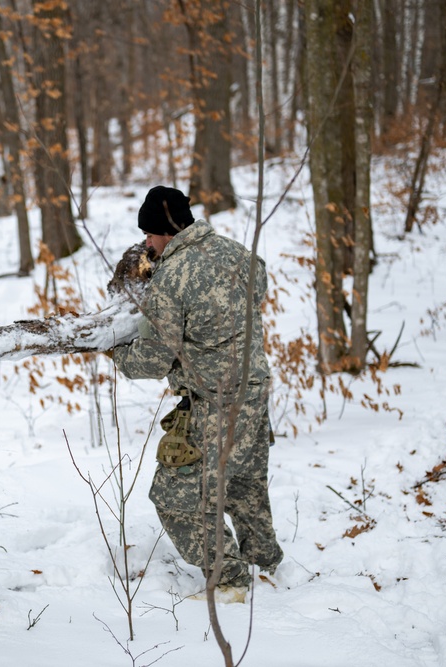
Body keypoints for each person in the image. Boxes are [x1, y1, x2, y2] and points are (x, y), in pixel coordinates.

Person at [110, 186, 283, 602]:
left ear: (166, 231)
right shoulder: (241, 254)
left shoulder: (171, 278)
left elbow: (150, 361)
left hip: (214, 402)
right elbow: (254, 296)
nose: (146, 243)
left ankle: (230, 580)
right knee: (243, 482)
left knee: (175, 497)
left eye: (150, 234)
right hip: (255, 390)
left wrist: (116, 350)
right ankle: (265, 562)